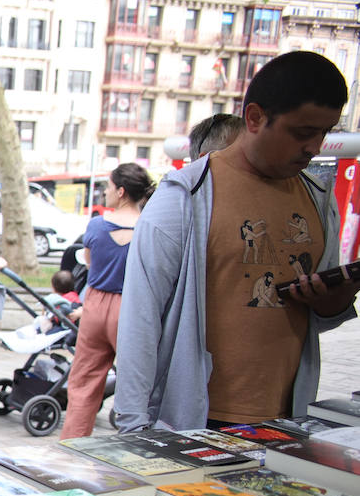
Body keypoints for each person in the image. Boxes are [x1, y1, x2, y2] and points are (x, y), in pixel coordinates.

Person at [116, 51, 359, 432]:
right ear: (256, 118)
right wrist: (132, 425)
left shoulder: (318, 197)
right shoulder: (185, 196)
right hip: (196, 423)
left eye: (325, 132)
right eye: (302, 132)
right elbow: (140, 318)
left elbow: (322, 318)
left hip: (289, 421)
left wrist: (336, 299)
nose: (315, 146)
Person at [58, 163, 155, 439]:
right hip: (133, 308)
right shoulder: (149, 228)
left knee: (84, 383)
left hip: (95, 307)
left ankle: (71, 448)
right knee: (136, 382)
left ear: (121, 191)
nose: (105, 192)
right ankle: (133, 444)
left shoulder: (97, 225)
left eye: (109, 187)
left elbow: (89, 263)